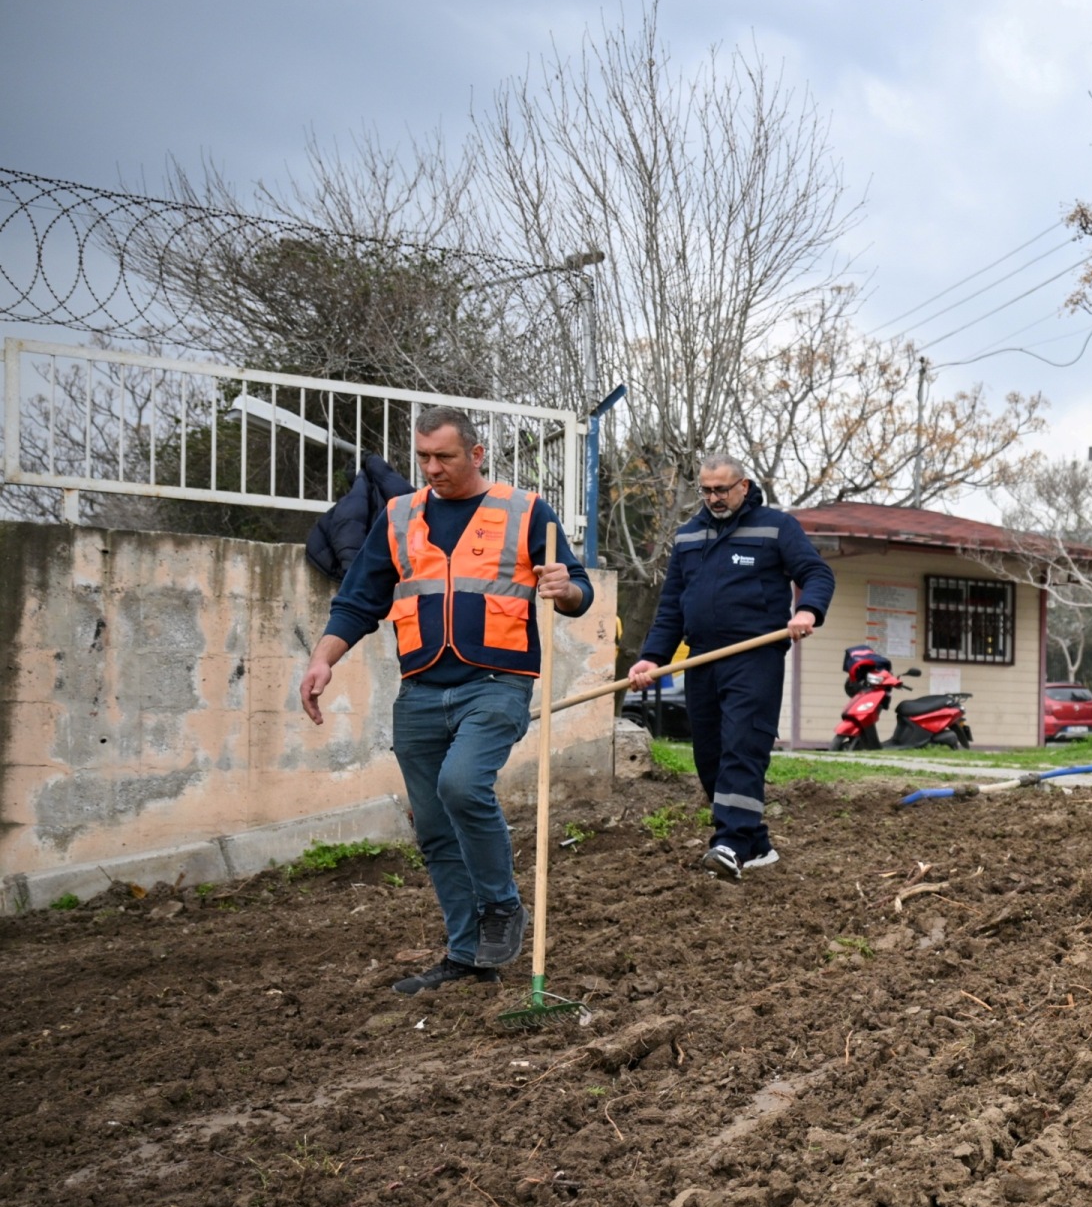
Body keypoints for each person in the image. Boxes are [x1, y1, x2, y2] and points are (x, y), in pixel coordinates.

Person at [299, 407, 594, 995]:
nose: (432, 468)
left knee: (461, 785)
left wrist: (565, 591)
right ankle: (467, 957)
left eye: (445, 457)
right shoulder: (399, 516)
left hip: (497, 683)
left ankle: (501, 905)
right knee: (433, 826)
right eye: (423, 457)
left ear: (476, 454)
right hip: (420, 690)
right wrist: (323, 658)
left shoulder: (525, 511)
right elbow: (359, 600)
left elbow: (578, 591)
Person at [627, 456, 834, 880]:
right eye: (706, 490)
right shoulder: (688, 535)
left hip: (754, 656)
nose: (713, 498)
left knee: (743, 745)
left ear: (744, 485)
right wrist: (653, 657)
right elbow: (672, 606)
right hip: (701, 658)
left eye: (721, 489)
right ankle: (755, 846)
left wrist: (807, 610)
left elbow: (816, 573)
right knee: (709, 756)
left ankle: (730, 845)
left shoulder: (776, 527)